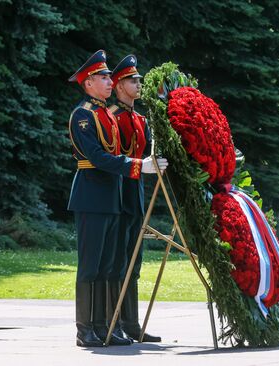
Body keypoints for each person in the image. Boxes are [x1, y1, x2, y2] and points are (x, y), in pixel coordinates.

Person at [68, 50, 168, 347]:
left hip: (110, 194)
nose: (110, 81)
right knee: (90, 265)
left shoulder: (103, 114)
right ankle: (85, 328)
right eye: (103, 77)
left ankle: (103, 327)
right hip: (92, 193)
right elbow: (98, 157)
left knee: (108, 266)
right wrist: (139, 166)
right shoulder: (83, 115)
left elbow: (115, 154)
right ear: (88, 83)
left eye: (110, 77)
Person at [108, 55, 160, 342]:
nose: (138, 84)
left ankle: (131, 323)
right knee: (117, 260)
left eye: (138, 79)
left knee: (133, 259)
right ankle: (113, 323)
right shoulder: (111, 118)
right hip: (117, 193)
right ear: (118, 86)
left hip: (135, 193)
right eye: (132, 80)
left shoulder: (139, 119)